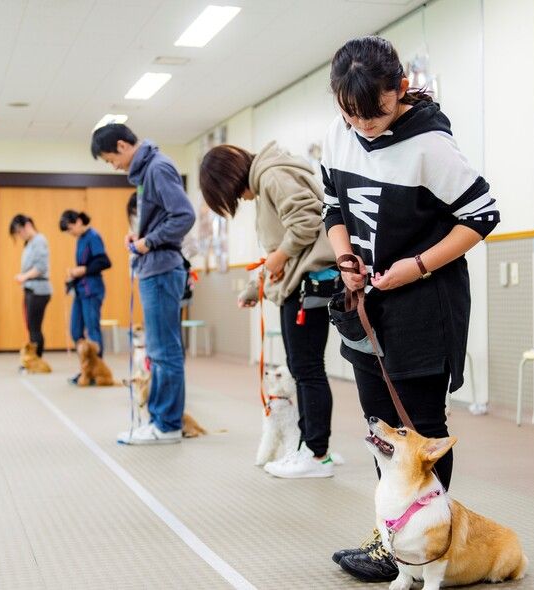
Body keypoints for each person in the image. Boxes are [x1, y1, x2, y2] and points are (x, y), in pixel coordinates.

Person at [321, 36, 500, 582]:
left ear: (399, 89)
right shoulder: (339, 134)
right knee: (380, 428)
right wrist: (345, 255)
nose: (365, 125)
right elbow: (333, 206)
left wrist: (418, 265)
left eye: (375, 112)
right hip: (368, 305)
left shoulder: (431, 145)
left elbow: (482, 215)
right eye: (352, 114)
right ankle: (392, 538)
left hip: (424, 304)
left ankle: (429, 543)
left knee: (420, 428)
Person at [200, 142, 340, 478]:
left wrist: (278, 257)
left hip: (307, 284)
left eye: (230, 195)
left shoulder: (273, 175)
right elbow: (280, 248)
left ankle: (317, 453)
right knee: (302, 367)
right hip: (298, 283)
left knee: (306, 369)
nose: (240, 201)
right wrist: (255, 286)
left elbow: (305, 222)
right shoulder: (270, 176)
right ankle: (310, 447)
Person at [90, 124, 195, 445]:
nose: (114, 166)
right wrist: (140, 236)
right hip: (154, 268)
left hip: (162, 269)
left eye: (111, 159)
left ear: (123, 146)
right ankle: (161, 420)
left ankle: (167, 425)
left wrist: (150, 241)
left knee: (164, 351)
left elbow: (184, 216)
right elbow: (165, 218)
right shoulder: (147, 171)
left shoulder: (158, 168)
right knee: (159, 350)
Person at [59, 209, 111, 383]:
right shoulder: (80, 239)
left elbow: (103, 261)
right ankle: (86, 369)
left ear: (79, 221)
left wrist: (84, 269)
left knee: (93, 331)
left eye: (70, 227)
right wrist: (72, 277)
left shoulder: (93, 236)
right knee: (75, 330)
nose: (70, 232)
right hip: (81, 290)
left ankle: (97, 370)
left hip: (92, 289)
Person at [9, 214, 52, 358]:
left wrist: (24, 276)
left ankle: (36, 359)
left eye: (19, 232)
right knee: (31, 327)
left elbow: (41, 267)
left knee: (34, 328)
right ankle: (33, 358)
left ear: (27, 226)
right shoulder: (30, 243)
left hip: (39, 290)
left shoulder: (39, 241)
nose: (20, 236)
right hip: (31, 289)